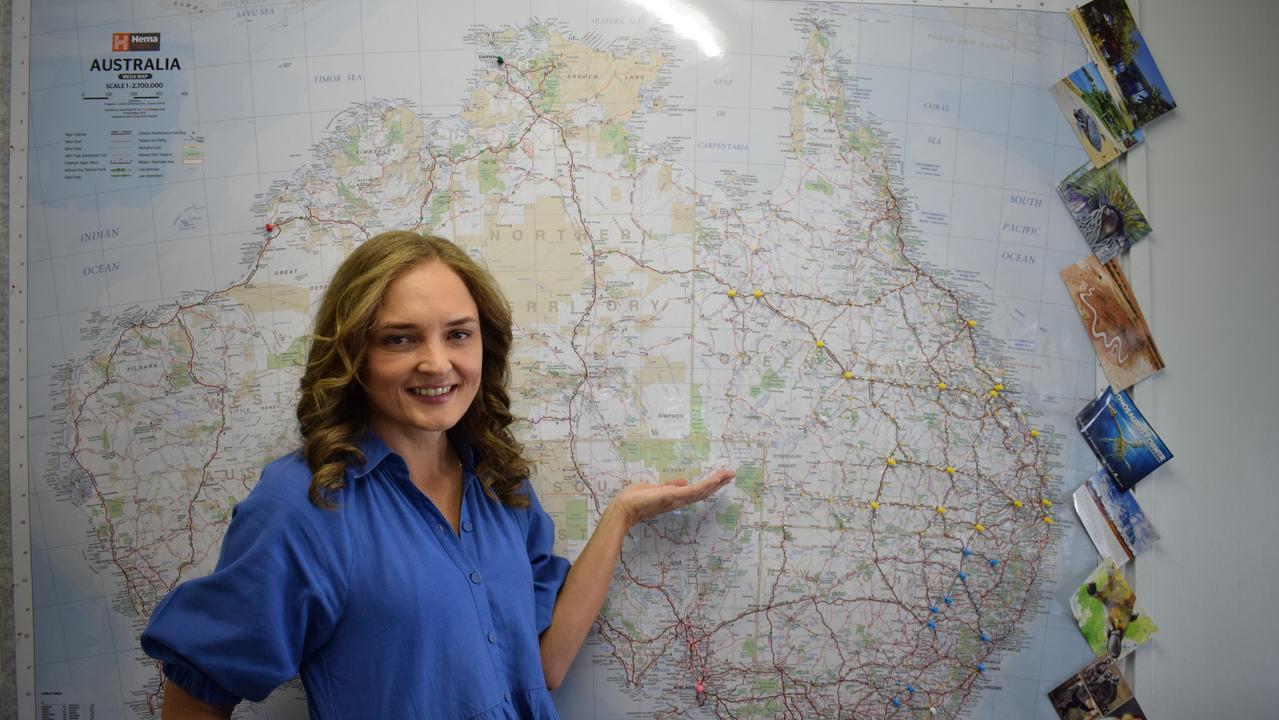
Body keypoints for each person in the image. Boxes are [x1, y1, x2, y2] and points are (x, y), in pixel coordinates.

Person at [140, 231, 733, 719]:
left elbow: (543, 665)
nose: (437, 363)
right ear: (354, 356)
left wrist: (621, 516)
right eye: (400, 339)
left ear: (484, 344)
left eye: (458, 334)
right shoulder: (304, 505)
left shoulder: (501, 484)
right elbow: (199, 689)